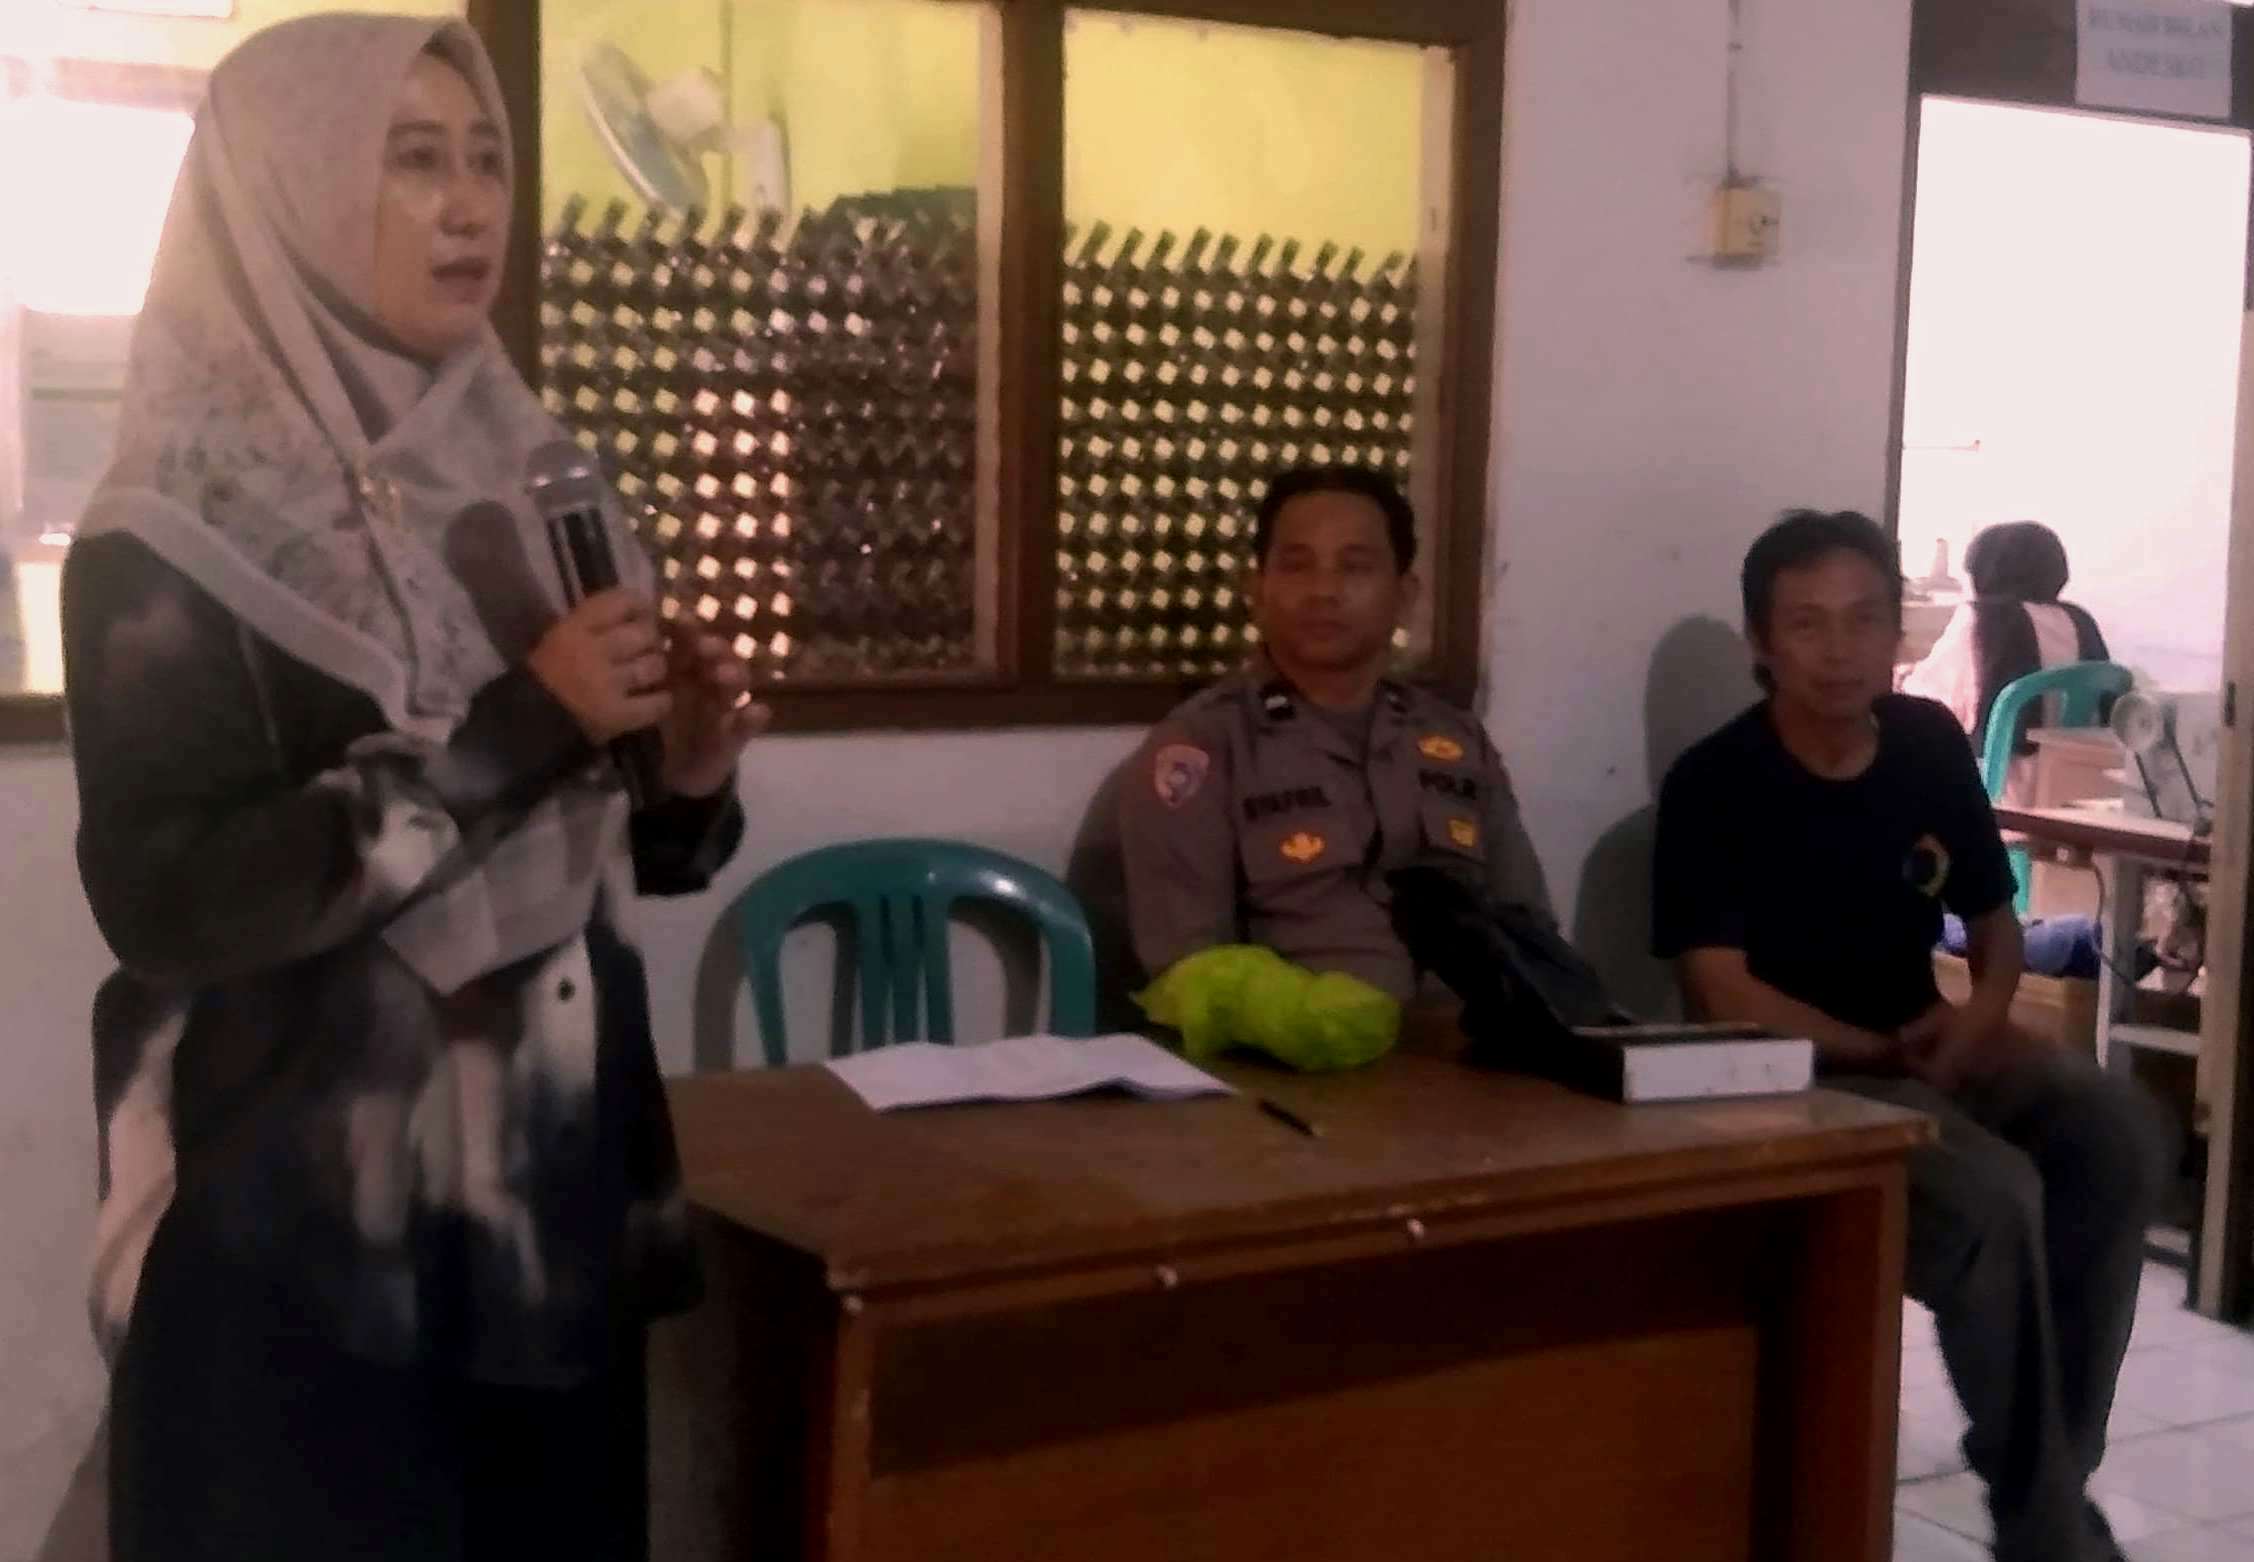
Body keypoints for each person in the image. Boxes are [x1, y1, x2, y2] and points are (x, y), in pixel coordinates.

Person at [62, 18, 764, 1560]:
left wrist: (684, 777)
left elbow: (608, 850)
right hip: (314, 1253)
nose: (468, 206)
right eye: (413, 160)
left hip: (548, 1218)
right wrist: (523, 724)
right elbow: (175, 900)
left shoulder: (537, 476)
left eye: (488, 160)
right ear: (293, 189)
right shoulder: (170, 537)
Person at [1652, 510, 2168, 1562]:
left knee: (2116, 1128)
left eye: (1863, 619)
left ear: (1898, 630)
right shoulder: (1715, 781)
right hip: (1792, 1070)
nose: (1838, 649)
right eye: (1806, 623)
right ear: (1762, 641)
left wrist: (1976, 1020)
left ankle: (2051, 1478)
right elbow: (1719, 991)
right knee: (1994, 1194)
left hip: (1927, 1041)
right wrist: (1883, 1052)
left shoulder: (1927, 742)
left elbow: (1994, 926)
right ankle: (2047, 1522)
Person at [1117, 463, 1552, 1002]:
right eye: (1297, 566)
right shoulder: (1203, 748)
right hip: (1295, 1050)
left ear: (1404, 595)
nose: (1324, 590)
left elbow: (1531, 931)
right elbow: (1188, 972)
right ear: (1256, 590)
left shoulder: (1458, 740)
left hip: (1476, 1043)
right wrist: (1322, 1027)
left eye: (1355, 566)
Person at [1902, 519, 2111, 806]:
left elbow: (1931, 698)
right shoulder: (2080, 621)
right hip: (2080, 788)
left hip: (2005, 787)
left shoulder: (1982, 619)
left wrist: (1903, 677)